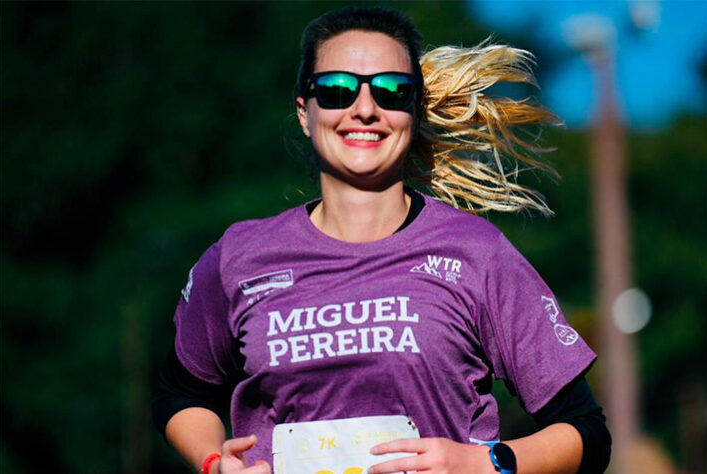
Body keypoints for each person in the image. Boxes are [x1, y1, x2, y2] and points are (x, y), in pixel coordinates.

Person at [153, 6, 610, 474]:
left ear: (413, 110)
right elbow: (180, 394)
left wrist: (484, 463)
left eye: (393, 91)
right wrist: (213, 462)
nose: (365, 109)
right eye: (336, 90)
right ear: (305, 113)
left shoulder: (477, 253)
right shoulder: (240, 257)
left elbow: (586, 432)